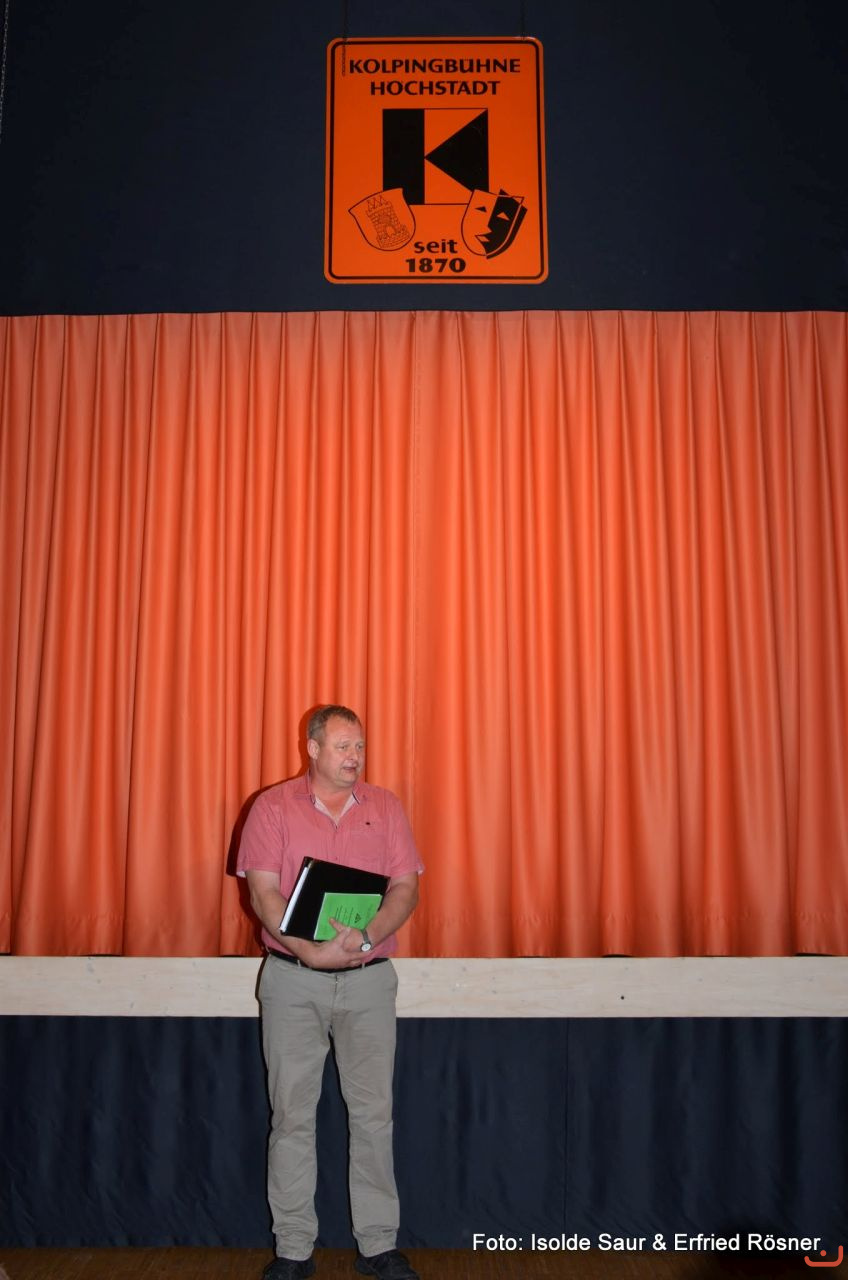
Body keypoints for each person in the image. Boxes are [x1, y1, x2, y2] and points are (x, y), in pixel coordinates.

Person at [238, 705, 423, 1280]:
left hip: (369, 982)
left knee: (374, 1116)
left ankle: (378, 1245)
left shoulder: (386, 807)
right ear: (312, 748)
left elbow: (406, 887)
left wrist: (366, 937)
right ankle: (293, 1250)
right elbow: (263, 894)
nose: (354, 757)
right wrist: (308, 951)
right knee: (292, 1117)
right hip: (293, 981)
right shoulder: (272, 807)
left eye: (360, 746)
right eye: (343, 746)